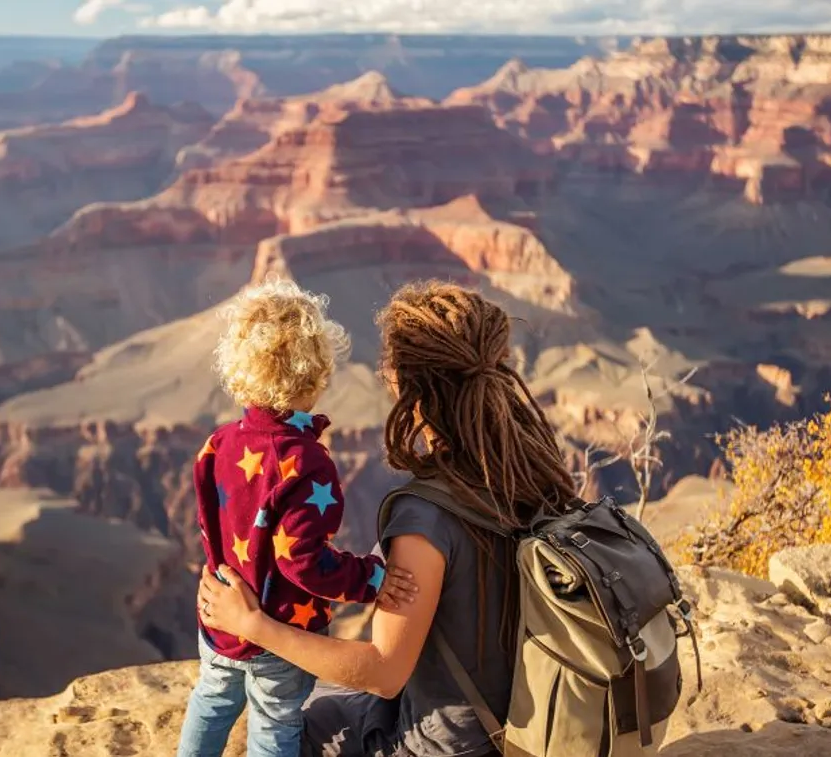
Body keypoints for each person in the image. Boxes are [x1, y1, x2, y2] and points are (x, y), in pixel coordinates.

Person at [198, 281, 579, 757]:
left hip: (444, 746)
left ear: (407, 386)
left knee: (288, 722)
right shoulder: (525, 468)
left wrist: (253, 626)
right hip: (529, 717)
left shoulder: (426, 517)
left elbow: (382, 671)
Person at [179, 278, 418, 757]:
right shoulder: (307, 462)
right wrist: (371, 579)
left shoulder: (218, 443)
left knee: (211, 701)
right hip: (280, 632)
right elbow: (302, 563)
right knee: (274, 724)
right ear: (317, 373)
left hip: (220, 618)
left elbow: (211, 529)